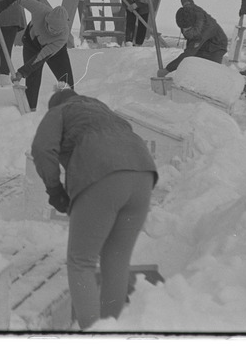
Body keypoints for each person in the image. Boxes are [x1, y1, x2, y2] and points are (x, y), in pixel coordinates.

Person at [31, 88, 158, 330]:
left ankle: (93, 336)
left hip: (101, 175)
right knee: (117, 261)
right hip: (143, 176)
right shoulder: (105, 112)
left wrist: (54, 189)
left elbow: (42, 148)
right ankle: (110, 331)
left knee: (81, 262)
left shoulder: (60, 110)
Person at [0, 0, 74, 111]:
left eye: (56, 31)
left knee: (67, 80)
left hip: (54, 50)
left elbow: (41, 57)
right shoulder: (40, 10)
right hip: (31, 43)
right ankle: (30, 109)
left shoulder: (62, 37)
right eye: (51, 28)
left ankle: (70, 109)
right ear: (47, 20)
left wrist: (21, 72)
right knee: (33, 76)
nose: (53, 32)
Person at [155, 0, 228, 77]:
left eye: (187, 29)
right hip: (202, 44)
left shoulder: (202, 33)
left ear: (193, 24)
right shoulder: (189, 7)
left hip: (216, 46)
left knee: (208, 73)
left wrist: (167, 69)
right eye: (182, 28)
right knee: (192, 66)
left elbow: (188, 54)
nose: (184, 31)